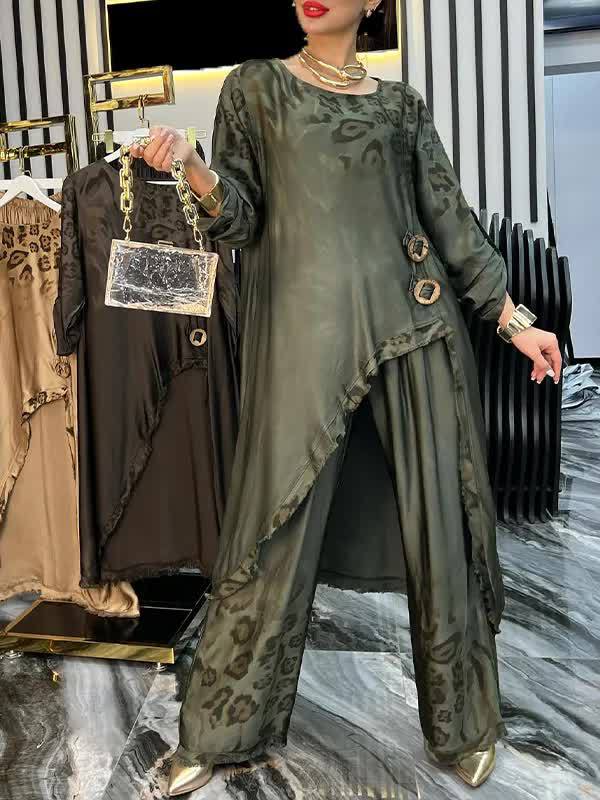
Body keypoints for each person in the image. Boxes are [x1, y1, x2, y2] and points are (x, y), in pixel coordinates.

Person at [131, 1, 562, 795]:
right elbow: (243, 219)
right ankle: (223, 726)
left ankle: (465, 724)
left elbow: (449, 218)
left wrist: (513, 319)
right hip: (305, 339)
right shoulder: (255, 87)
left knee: (441, 523)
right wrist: (194, 167)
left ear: (375, 4)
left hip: (416, 327)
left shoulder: (400, 107)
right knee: (271, 524)